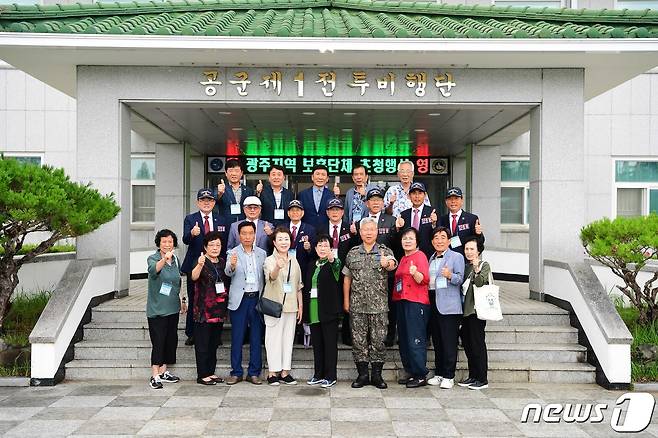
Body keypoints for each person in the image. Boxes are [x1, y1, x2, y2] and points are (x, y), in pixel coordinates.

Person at [343, 217, 398, 389]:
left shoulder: (384, 250)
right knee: (358, 341)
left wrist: (386, 263)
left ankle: (376, 375)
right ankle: (362, 375)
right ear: (360, 232)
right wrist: (346, 301)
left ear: (377, 232)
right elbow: (347, 278)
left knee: (378, 341)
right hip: (357, 305)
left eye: (371, 229)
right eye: (365, 230)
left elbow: (392, 264)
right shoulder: (352, 252)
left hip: (379, 306)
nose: (368, 232)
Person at [181, 188, 228, 346]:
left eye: (210, 200)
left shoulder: (221, 220)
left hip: (215, 265)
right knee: (195, 298)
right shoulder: (190, 218)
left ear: (214, 203)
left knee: (216, 299)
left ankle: (216, 333)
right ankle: (192, 333)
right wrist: (192, 233)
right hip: (196, 264)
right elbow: (185, 240)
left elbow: (225, 242)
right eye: (203, 200)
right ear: (198, 202)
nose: (206, 203)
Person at [354, 187, 399, 347]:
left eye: (379, 200)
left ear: (383, 202)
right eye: (372, 200)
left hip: (385, 271)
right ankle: (365, 337)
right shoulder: (360, 222)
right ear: (367, 203)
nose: (375, 202)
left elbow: (396, 245)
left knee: (387, 305)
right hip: (365, 272)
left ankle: (389, 336)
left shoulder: (391, 220)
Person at [225, 221, 267, 385]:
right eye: (244, 233)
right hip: (239, 300)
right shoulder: (233, 252)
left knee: (256, 337)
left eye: (250, 233)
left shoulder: (262, 253)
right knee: (237, 337)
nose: (247, 236)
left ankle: (253, 372)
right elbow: (228, 272)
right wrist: (233, 265)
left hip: (256, 298)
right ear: (239, 235)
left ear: (255, 234)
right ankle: (236, 372)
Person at [262, 227, 304, 386]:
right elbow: (270, 278)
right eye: (280, 239)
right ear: (274, 242)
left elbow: (298, 285)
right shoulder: (269, 260)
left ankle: (285, 371)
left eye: (286, 239)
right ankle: (272, 372)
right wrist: (278, 267)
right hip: (274, 306)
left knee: (288, 339)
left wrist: (301, 306)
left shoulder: (294, 260)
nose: (283, 242)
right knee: (273, 339)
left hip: (291, 306)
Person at [427, 227, 465, 389]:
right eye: (436, 237)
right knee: (437, 341)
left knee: (449, 342)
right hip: (433, 303)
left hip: (449, 306)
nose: (439, 240)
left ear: (449, 241)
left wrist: (450, 275)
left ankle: (449, 376)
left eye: (443, 237)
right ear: (432, 241)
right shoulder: (431, 257)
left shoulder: (456, 257)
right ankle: (439, 373)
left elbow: (460, 279)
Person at [190, 231, 230, 385]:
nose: (215, 248)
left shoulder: (222, 262)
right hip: (203, 311)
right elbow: (193, 277)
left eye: (218, 245)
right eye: (211, 245)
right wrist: (200, 265)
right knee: (202, 344)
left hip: (218, 310)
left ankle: (210, 372)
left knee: (213, 343)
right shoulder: (200, 260)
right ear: (205, 247)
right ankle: (202, 374)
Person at [146, 229, 184, 389]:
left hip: (173, 308)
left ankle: (164, 372)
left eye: (170, 242)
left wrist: (183, 300)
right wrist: (164, 259)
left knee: (170, 341)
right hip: (158, 309)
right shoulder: (153, 258)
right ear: (159, 244)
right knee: (158, 341)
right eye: (164, 242)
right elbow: (153, 270)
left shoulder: (176, 259)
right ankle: (154, 375)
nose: (167, 244)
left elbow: (178, 281)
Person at [393, 228, 430, 388]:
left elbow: (424, 279)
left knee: (415, 338)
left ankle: (420, 374)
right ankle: (410, 371)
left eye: (411, 238)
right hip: (401, 301)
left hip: (416, 302)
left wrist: (415, 273)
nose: (407, 241)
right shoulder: (402, 258)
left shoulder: (420, 256)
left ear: (417, 241)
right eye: (405, 238)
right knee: (404, 339)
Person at [303, 234, 342, 388]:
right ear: (315, 248)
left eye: (326, 246)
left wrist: (332, 258)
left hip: (328, 310)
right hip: (313, 310)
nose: (322, 248)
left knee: (330, 345)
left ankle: (330, 375)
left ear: (331, 248)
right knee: (317, 344)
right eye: (320, 246)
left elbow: (336, 265)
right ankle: (318, 374)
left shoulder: (333, 264)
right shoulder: (312, 264)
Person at [324, 198, 356, 345]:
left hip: (346, 271)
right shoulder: (321, 228)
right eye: (332, 210)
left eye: (337, 209)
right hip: (327, 270)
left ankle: (347, 336)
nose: (335, 212)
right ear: (327, 212)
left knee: (347, 302)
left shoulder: (350, 228)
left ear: (343, 212)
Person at [460, 237, 491, 390]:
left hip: (476, 311)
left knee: (478, 344)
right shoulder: (465, 267)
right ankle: (472, 376)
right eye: (467, 249)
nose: (469, 252)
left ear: (478, 251)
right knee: (468, 344)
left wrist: (477, 270)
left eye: (472, 249)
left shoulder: (484, 265)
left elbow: (479, 283)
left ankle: (482, 378)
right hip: (464, 312)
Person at [438, 186, 484, 258]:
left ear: (462, 200)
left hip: (465, 260)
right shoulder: (442, 219)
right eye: (450, 199)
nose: (453, 201)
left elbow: (480, 242)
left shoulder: (472, 218)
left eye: (456, 198)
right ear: (446, 202)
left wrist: (479, 234)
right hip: (446, 260)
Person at [397, 182, 437, 260]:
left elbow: (437, 234)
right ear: (409, 196)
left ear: (425, 195)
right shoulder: (404, 214)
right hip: (407, 255)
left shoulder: (432, 212)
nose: (417, 196)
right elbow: (400, 238)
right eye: (414, 193)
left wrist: (434, 224)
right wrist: (398, 228)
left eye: (420, 193)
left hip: (427, 255)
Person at [297, 164, 339, 230]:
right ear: (312, 177)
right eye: (317, 174)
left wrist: (337, 197)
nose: (320, 177)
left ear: (327, 178)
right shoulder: (302, 194)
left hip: (326, 232)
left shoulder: (332, 195)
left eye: (323, 175)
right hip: (307, 232)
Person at [216, 159, 255, 223]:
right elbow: (214, 201)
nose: (234, 174)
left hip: (245, 224)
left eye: (237, 171)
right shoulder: (221, 188)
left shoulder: (248, 190)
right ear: (226, 173)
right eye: (231, 171)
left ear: (241, 173)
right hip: (226, 224)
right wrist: (219, 193)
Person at [285, 200, 317, 277]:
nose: (295, 213)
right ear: (288, 213)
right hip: (284, 266)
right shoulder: (282, 228)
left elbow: (314, 253)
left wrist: (309, 248)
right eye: (292, 210)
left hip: (303, 268)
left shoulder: (310, 229)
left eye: (298, 210)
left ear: (302, 213)